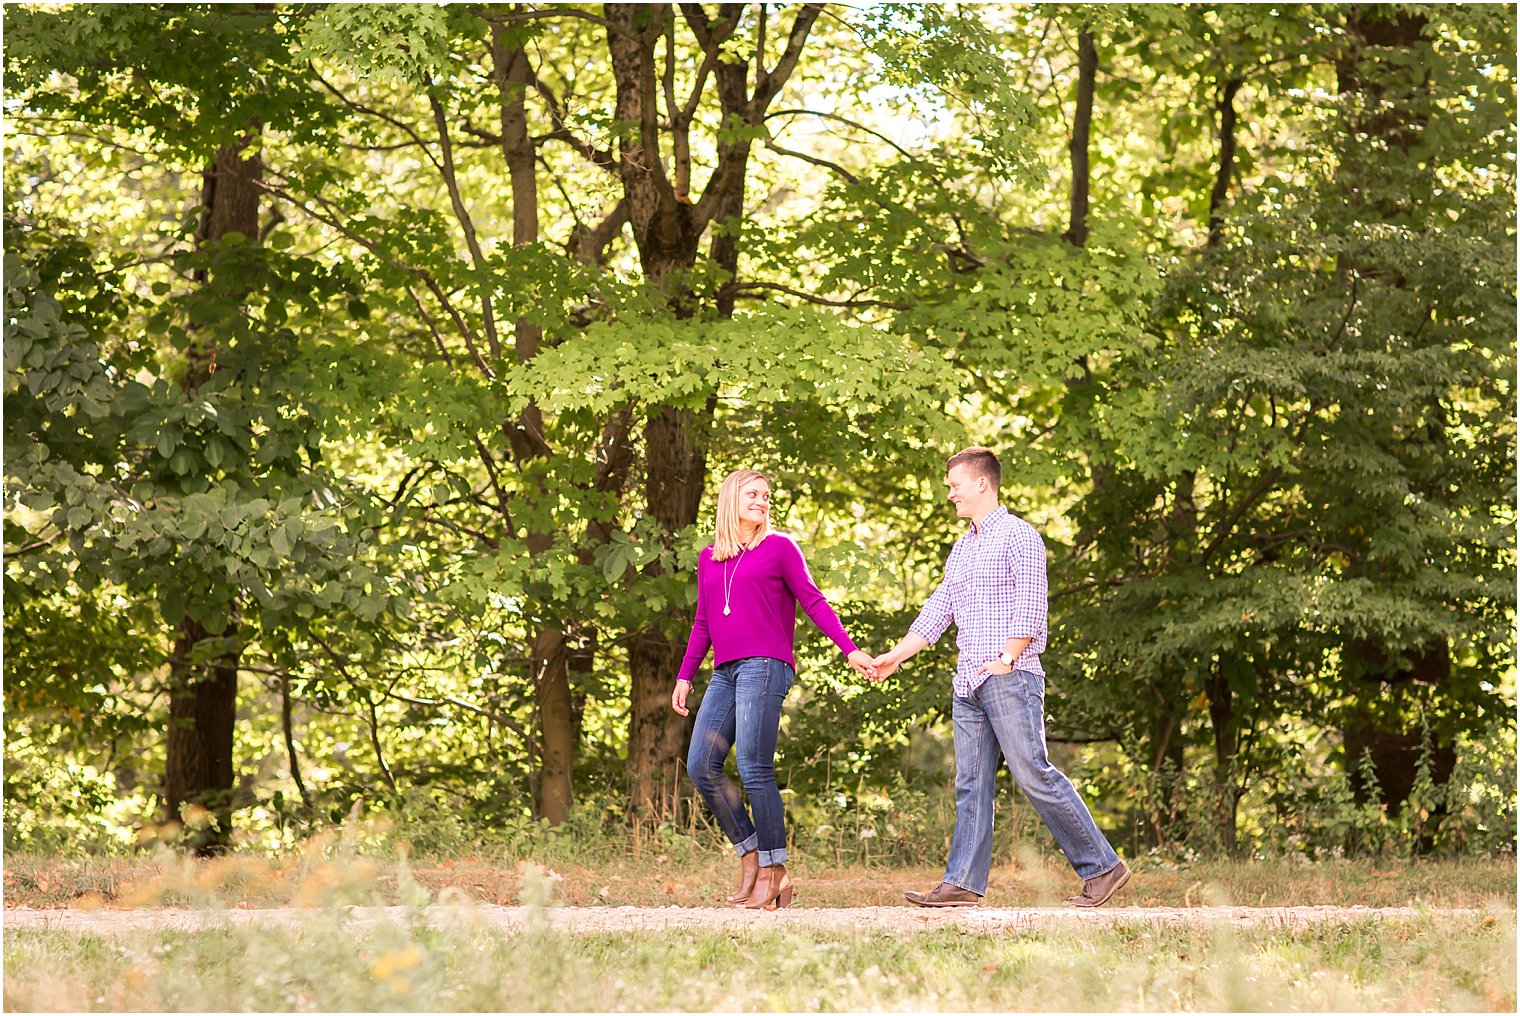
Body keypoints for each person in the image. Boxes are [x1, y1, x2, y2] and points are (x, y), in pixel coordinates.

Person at [871, 447, 1131, 908]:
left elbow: (1032, 604)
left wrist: (1006, 659)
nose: (949, 493)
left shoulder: (1018, 536)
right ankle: (964, 883)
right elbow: (940, 609)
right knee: (971, 784)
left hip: (1008, 676)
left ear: (982, 484)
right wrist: (896, 655)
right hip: (968, 683)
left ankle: (1104, 868)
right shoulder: (963, 546)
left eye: (954, 485)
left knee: (1033, 773)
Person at [672, 469, 877, 910]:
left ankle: (774, 870)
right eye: (752, 494)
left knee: (752, 765)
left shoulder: (780, 548)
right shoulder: (710, 558)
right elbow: (704, 622)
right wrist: (685, 675)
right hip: (726, 671)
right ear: (731, 499)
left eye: (766, 496)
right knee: (701, 765)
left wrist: (850, 650)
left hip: (766, 666)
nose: (762, 501)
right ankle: (750, 855)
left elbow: (813, 599)